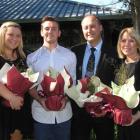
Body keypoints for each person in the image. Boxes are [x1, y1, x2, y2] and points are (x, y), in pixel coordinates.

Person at [27, 16, 76, 140]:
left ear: (59, 33)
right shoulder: (31, 58)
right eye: (47, 28)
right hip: (40, 115)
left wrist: (66, 99)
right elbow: (30, 87)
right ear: (41, 32)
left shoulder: (70, 56)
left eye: (54, 29)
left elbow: (73, 84)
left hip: (64, 115)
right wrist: (40, 99)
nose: (50, 31)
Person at [71, 15, 119, 140]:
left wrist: (108, 108)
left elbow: (118, 83)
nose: (89, 30)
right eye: (85, 27)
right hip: (79, 111)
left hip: (103, 112)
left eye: (92, 26)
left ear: (101, 28)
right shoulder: (74, 52)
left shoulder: (114, 53)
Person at [0, 21, 33, 140]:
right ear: (3, 35)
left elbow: (29, 82)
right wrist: (11, 97)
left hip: (22, 111)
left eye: (18, 35)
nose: (15, 38)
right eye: (10, 34)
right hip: (3, 114)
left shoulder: (24, 58)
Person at [114, 27, 140, 140]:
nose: (126, 44)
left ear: (138, 44)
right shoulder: (119, 65)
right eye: (123, 40)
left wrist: (136, 117)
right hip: (123, 122)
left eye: (131, 40)